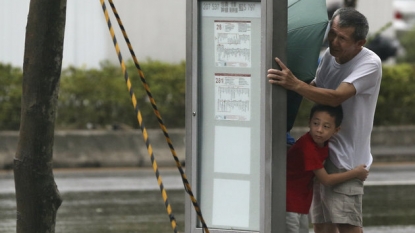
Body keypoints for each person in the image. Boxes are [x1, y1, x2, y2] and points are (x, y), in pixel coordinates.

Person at [268, 8, 382, 233]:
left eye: (342, 38)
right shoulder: (329, 56)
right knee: (321, 226)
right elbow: (316, 89)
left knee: (347, 226)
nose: (334, 41)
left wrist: (295, 84)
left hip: (346, 159)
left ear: (360, 43)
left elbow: (337, 97)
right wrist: (287, 84)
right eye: (332, 33)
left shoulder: (370, 63)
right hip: (321, 151)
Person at [286, 104, 368, 233]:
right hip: (289, 203)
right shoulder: (308, 147)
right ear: (309, 122)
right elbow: (326, 179)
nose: (319, 130)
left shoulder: (322, 143)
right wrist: (356, 173)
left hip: (301, 203)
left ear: (336, 130)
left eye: (326, 126)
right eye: (315, 123)